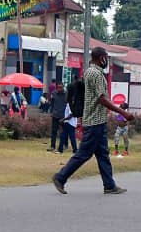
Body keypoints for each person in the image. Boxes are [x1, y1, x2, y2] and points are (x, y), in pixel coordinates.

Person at [52, 47, 134, 195]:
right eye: (105, 58)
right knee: (84, 153)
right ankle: (60, 177)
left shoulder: (90, 72)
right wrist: (123, 112)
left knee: (103, 154)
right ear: (100, 58)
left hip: (96, 120)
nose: (106, 61)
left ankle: (109, 185)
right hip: (94, 121)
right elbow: (102, 99)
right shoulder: (96, 74)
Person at [48, 82, 67, 152]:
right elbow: (52, 104)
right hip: (55, 115)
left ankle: (64, 145)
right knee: (54, 131)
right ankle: (52, 146)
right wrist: (51, 112)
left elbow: (68, 104)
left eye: (61, 87)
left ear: (63, 87)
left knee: (63, 132)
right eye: (58, 87)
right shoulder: (54, 94)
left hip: (63, 116)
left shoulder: (66, 94)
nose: (59, 89)